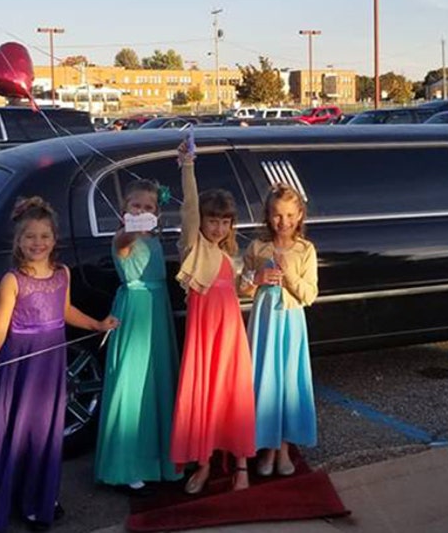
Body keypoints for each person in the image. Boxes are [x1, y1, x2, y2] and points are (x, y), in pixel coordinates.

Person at [0, 197, 118, 532]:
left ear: (55, 240)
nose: (38, 243)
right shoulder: (13, 280)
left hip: (51, 363)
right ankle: (10, 496)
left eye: (44, 236)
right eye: (30, 237)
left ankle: (40, 498)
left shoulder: (62, 274)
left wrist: (96, 325)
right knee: (17, 431)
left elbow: (64, 312)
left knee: (45, 433)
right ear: (19, 242)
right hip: (21, 365)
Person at [170, 139, 257, 494]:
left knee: (233, 395)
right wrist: (187, 166)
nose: (218, 228)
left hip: (231, 337)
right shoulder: (193, 249)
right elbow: (190, 209)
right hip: (203, 340)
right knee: (204, 395)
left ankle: (240, 464)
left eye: (225, 222)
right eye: (212, 220)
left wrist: (252, 283)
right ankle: (203, 463)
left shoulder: (228, 255)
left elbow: (238, 291)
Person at [94, 180, 181, 493]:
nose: (142, 212)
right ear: (124, 212)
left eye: (149, 208)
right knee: (133, 384)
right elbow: (125, 239)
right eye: (136, 207)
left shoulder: (155, 240)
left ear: (158, 213)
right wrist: (133, 225)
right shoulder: (124, 238)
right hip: (135, 312)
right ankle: (125, 463)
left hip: (158, 312)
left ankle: (159, 459)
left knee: (158, 383)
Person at [239, 184, 319, 478]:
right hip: (264, 324)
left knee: (287, 382)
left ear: (299, 216)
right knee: (266, 382)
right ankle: (266, 447)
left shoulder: (305, 250)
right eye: (276, 215)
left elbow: (310, 295)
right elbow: (242, 287)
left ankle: (284, 448)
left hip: (290, 323)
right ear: (267, 217)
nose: (282, 222)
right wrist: (256, 278)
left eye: (289, 215)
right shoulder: (258, 247)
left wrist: (290, 276)